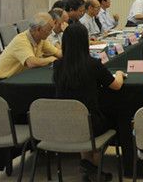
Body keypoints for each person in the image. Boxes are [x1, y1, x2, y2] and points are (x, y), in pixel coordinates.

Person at [53, 23, 125, 180]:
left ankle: (87, 164)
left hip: (64, 122)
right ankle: (95, 170)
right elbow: (116, 86)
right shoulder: (93, 64)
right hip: (91, 124)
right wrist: (119, 74)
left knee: (82, 122)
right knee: (110, 119)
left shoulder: (57, 66)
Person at [0, 13, 63, 79]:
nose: (51, 32)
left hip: (19, 77)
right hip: (4, 80)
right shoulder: (21, 41)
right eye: (49, 29)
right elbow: (31, 63)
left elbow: (58, 53)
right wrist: (50, 59)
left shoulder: (41, 39)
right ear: (38, 29)